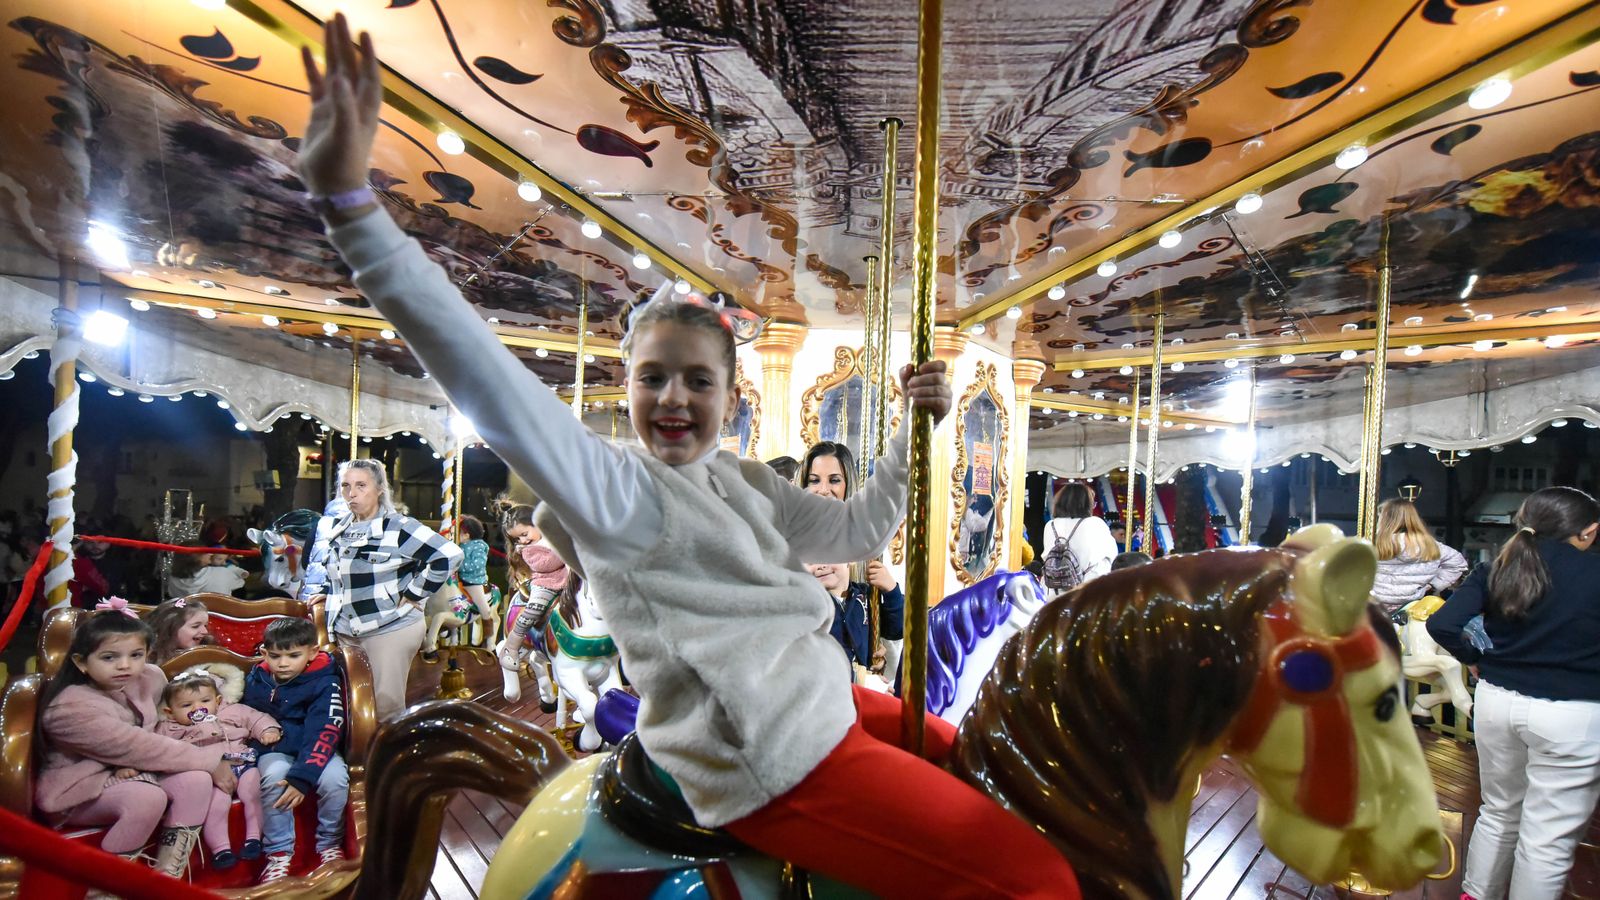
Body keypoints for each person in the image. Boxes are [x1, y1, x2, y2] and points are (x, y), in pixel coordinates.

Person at [294, 17, 1081, 896]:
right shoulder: (615, 492)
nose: (675, 399)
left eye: (697, 382)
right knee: (1034, 875)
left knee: (987, 759)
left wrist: (911, 426)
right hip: (760, 755)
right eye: (654, 379)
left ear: (729, 394)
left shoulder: (743, 481)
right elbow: (485, 375)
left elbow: (864, 524)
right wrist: (353, 213)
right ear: (629, 389)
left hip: (816, 702)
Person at [1428, 486, 1600, 900]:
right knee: (1547, 839)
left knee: (1499, 812)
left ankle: (1476, 895)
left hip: (1497, 700)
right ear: (1589, 531)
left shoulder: (1499, 568)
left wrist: (1475, 656)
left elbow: (1442, 624)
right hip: (1573, 713)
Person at [35, 609, 237, 876]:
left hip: (135, 771)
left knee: (196, 781)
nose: (125, 666)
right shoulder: (69, 707)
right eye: (109, 657)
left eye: (136, 655)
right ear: (82, 662)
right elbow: (134, 745)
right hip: (81, 788)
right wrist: (211, 760)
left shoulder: (150, 678)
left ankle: (167, 876)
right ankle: (109, 889)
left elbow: (159, 728)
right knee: (146, 798)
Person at [306, 458, 462, 720]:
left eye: (361, 485)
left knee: (384, 706)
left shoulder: (399, 527)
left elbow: (449, 555)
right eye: (345, 486)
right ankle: (357, 756)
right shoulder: (339, 527)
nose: (351, 493)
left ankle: (387, 757)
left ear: (379, 489)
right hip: (346, 627)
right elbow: (337, 568)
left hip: (389, 625)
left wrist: (415, 592)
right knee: (349, 703)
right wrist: (329, 589)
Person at [241, 617, 349, 883]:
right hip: (275, 749)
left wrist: (301, 778)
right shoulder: (258, 678)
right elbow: (247, 714)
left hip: (314, 749)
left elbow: (325, 729)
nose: (284, 663)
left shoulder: (325, 681)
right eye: (276, 656)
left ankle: (329, 844)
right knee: (275, 778)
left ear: (312, 652)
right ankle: (278, 852)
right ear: (264, 653)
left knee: (336, 779)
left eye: (293, 655)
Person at [155, 670, 282, 870]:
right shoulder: (169, 728)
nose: (198, 708)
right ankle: (221, 850)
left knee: (254, 792)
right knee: (217, 805)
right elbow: (155, 750)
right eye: (186, 705)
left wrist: (268, 730)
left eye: (205, 701)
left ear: (218, 700)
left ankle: (253, 839)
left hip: (242, 764)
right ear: (170, 711)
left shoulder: (231, 711)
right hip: (211, 777)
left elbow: (256, 718)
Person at [798, 442, 905, 678]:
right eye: (814, 480)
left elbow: (895, 627)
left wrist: (890, 591)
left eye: (834, 480)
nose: (823, 489)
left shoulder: (862, 591)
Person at [495, 503, 567, 671]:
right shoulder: (527, 549)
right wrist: (565, 550)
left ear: (537, 523)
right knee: (534, 610)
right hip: (545, 583)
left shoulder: (553, 536)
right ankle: (511, 647)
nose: (522, 540)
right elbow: (547, 564)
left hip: (568, 580)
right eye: (517, 538)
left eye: (524, 534)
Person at [810, 562, 905, 683]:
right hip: (834, 687)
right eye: (812, 560)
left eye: (830, 556)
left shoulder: (865, 595)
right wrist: (861, 678)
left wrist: (891, 591)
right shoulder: (810, 607)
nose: (821, 566)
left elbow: (896, 631)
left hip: (864, 687)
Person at [1371, 499, 1468, 615]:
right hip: (1413, 607)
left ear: (1384, 520)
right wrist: (1433, 585)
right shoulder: (1430, 545)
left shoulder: (1374, 544)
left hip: (1375, 606)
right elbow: (1458, 564)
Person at [1040, 482, 1118, 591]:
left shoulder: (1050, 525)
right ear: (1086, 504)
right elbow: (1112, 555)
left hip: (1053, 588)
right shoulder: (1095, 523)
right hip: (1087, 588)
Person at [146, 598, 212, 665]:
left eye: (205, 626)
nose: (205, 631)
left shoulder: (207, 653)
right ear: (170, 627)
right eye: (195, 626)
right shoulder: (148, 658)